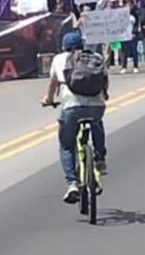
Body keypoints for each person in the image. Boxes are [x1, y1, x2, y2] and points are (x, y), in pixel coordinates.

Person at [40, 32, 108, 204]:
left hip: (72, 106)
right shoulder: (95, 56)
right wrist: (104, 95)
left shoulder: (59, 59)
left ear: (64, 46)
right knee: (97, 122)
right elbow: (104, 79)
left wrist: (48, 100)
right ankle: (100, 158)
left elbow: (53, 83)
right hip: (96, 105)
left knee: (66, 145)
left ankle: (72, 184)